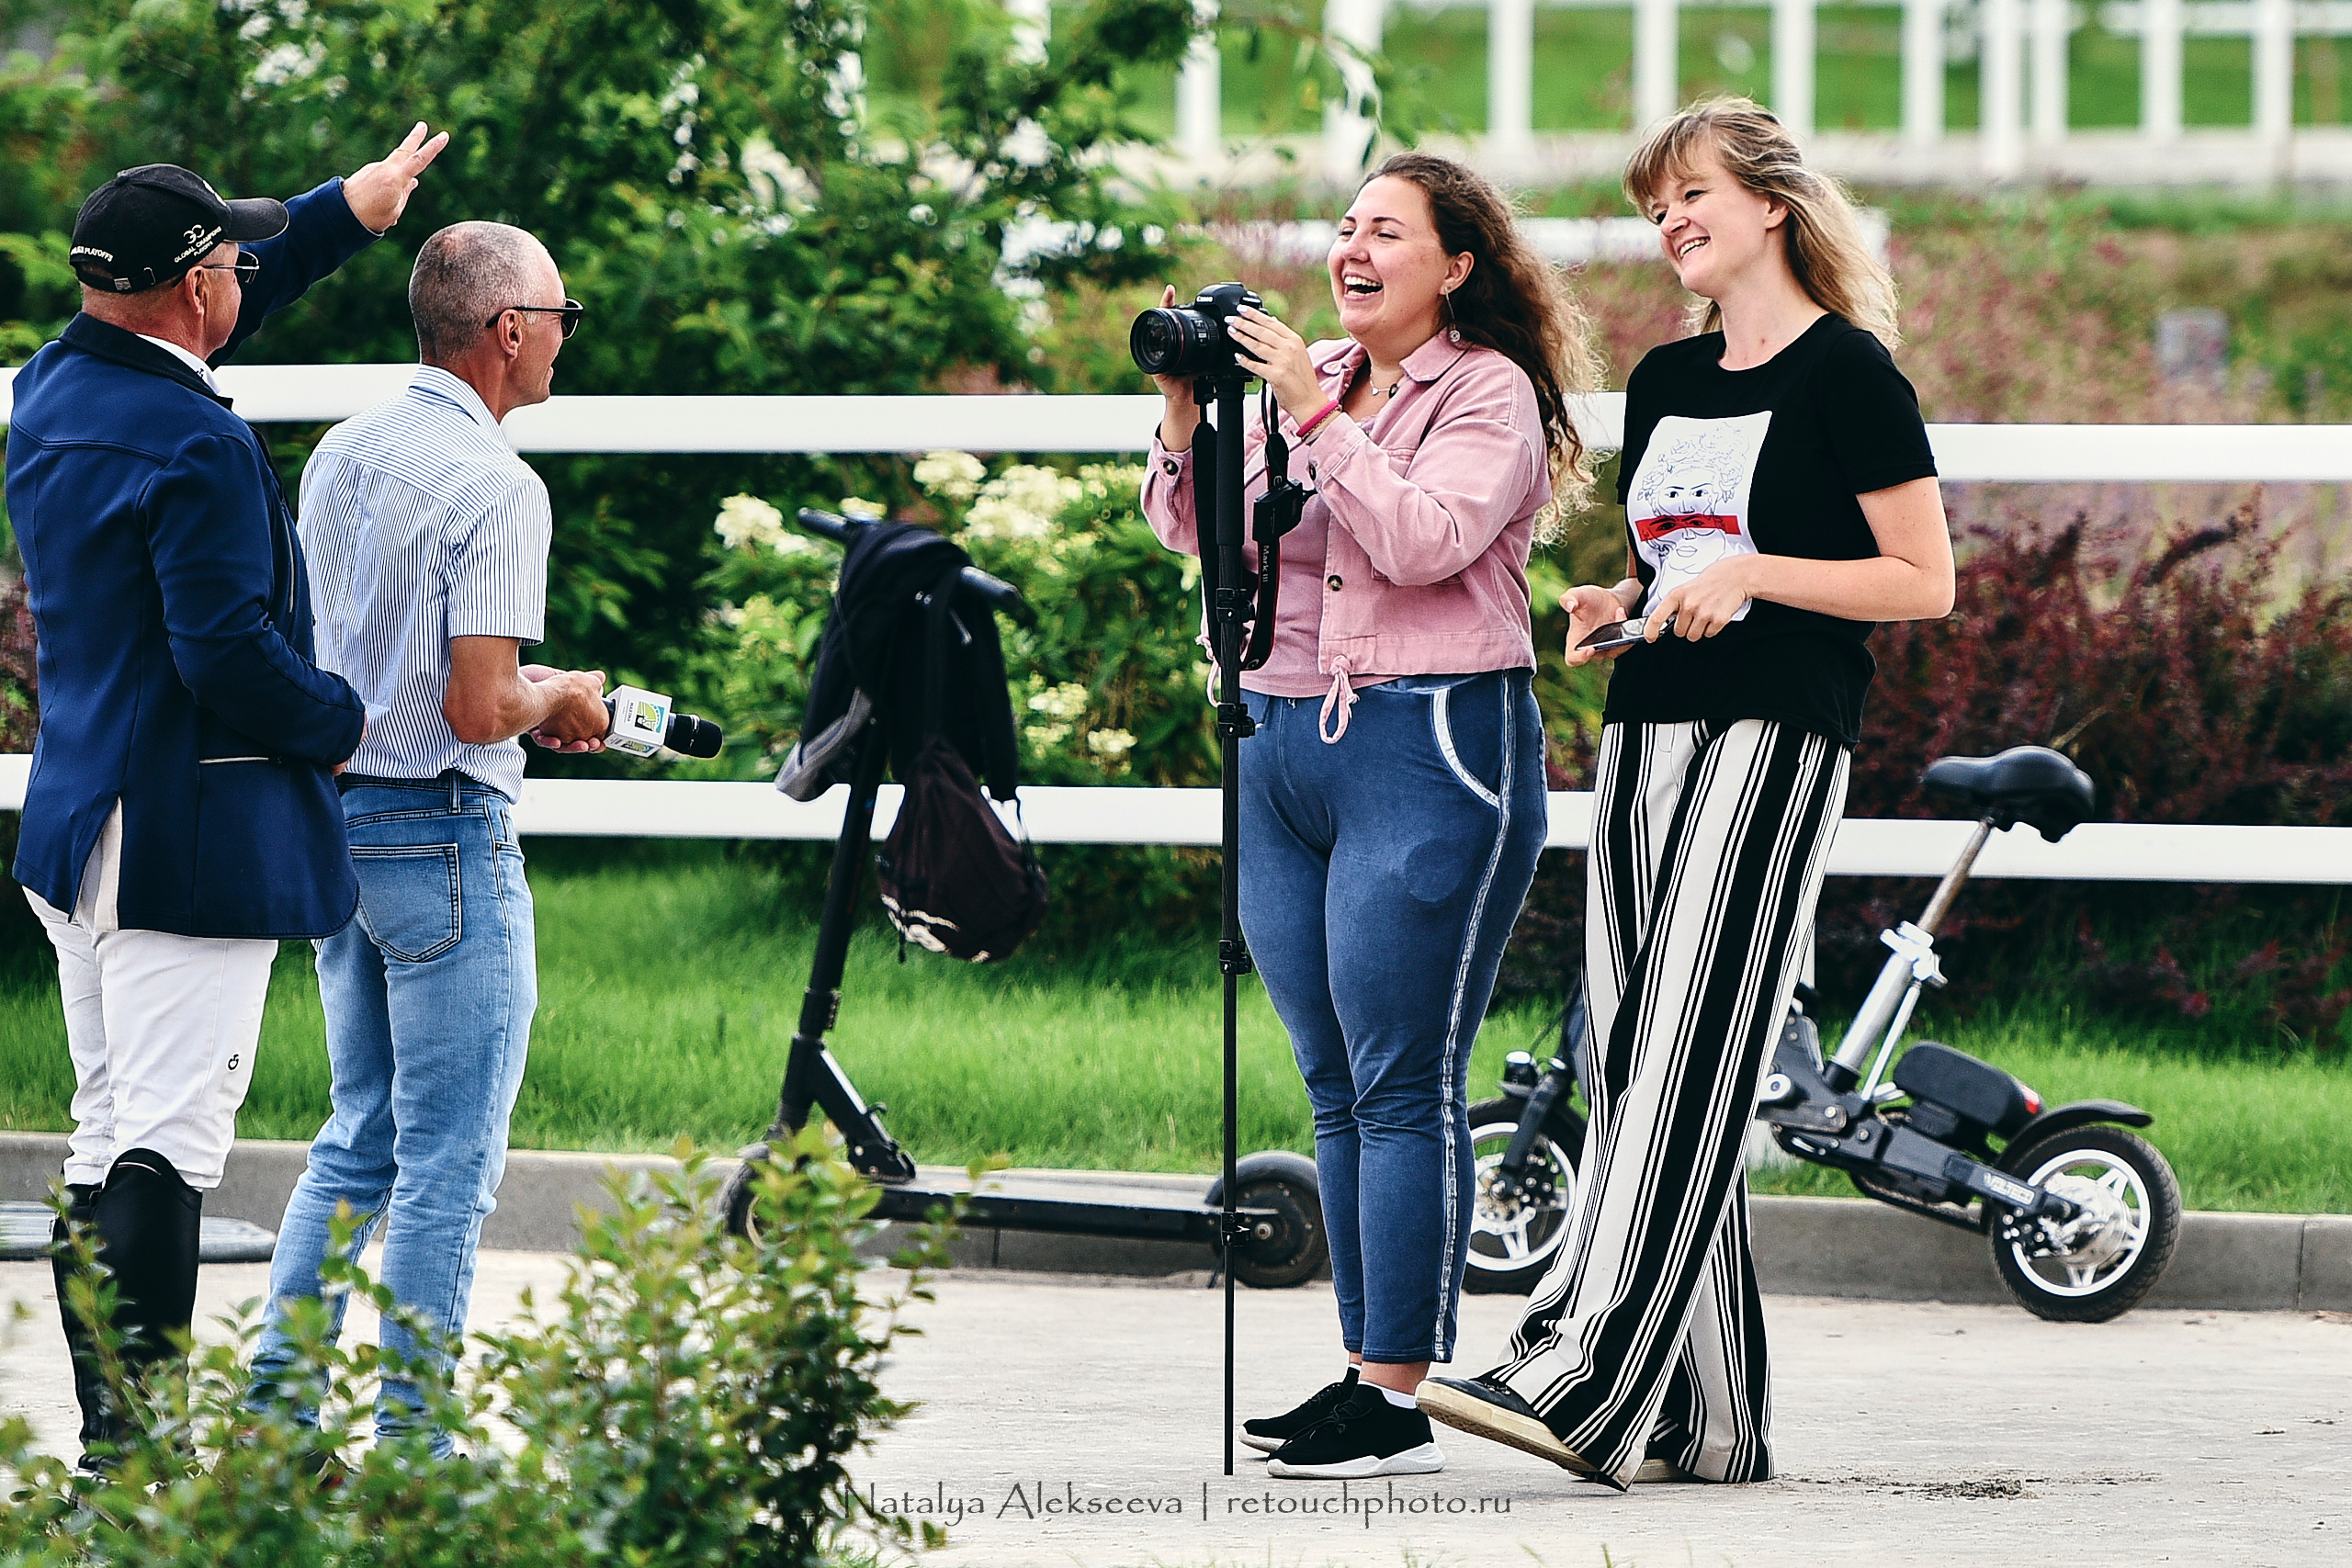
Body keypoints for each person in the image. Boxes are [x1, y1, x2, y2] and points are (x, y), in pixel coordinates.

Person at [1417, 97, 1956, 1490]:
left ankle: (1584, 1371)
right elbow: (1672, 564)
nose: (1669, 224)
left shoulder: (1851, 376)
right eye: (1654, 207)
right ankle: (1708, 1423)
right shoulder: (1667, 380)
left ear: (1770, 203)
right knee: (1647, 1045)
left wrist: (1757, 575)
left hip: (1779, 730)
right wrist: (1624, 602)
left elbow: (1921, 579)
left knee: (1691, 1044)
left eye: (1690, 195)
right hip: (1649, 728)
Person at [1139, 152, 1600, 1481]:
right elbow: (1201, 539)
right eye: (1344, 226)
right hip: (1282, 743)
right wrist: (1188, 417)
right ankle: (1363, 1372)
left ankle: (1398, 1388)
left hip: (1429, 743)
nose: (1352, 246)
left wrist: (1309, 414)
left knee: (1402, 1076)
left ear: (1454, 267)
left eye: (1385, 231)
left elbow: (1420, 541)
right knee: (1333, 1080)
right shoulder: (1323, 387)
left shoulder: (1489, 392)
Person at [8, 131, 445, 1472]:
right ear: (197, 288)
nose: (249, 270)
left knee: (107, 1130)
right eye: (231, 257)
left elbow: (195, 330)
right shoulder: (195, 446)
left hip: (79, 814)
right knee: (169, 1144)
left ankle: (112, 1456)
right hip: (187, 834)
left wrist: (345, 214)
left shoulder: (56, 389)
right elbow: (226, 651)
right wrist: (345, 723)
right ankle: (135, 1466)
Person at [244, 221, 609, 1458]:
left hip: (338, 830)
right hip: (446, 838)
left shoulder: (344, 450)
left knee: (356, 1142)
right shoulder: (500, 487)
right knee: (450, 1164)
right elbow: (475, 705)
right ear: (510, 331)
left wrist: (523, 691)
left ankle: (280, 1425)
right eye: (561, 318)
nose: (564, 340)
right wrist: (556, 696)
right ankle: (417, 1450)